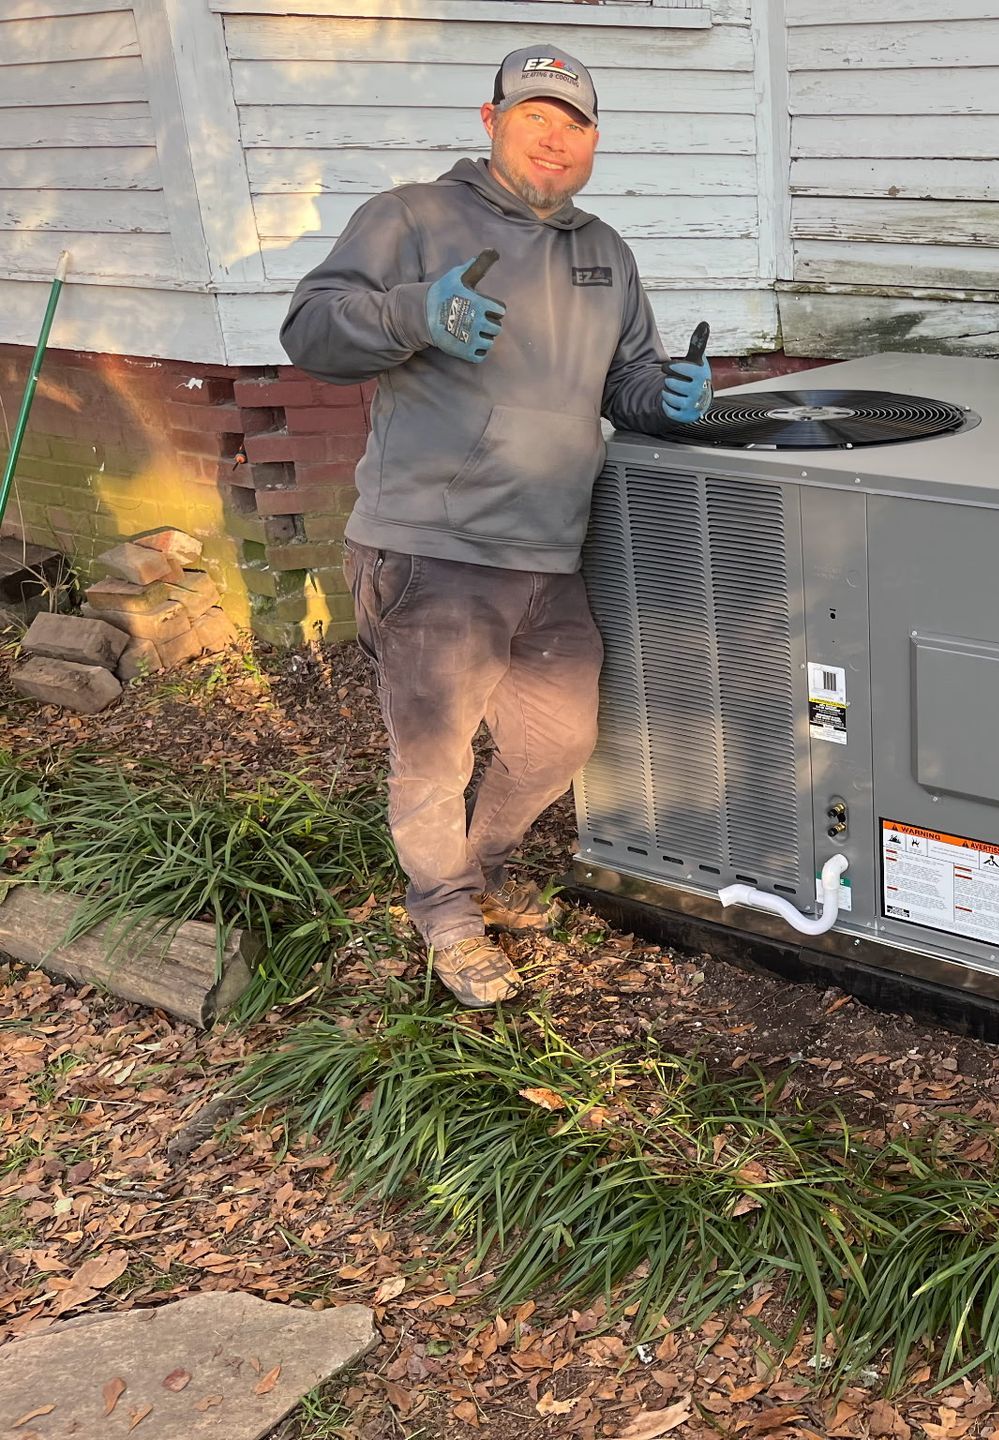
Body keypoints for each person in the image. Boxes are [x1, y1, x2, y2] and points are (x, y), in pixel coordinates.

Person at [280, 44, 710, 1006]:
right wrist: (414, 313)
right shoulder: (413, 217)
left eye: (575, 123)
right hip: (433, 544)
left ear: (595, 141)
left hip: (549, 550)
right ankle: (444, 909)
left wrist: (665, 397)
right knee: (432, 751)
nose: (555, 138)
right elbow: (312, 327)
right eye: (534, 116)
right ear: (492, 121)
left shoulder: (606, 252)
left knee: (558, 739)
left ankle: (483, 866)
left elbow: (625, 380)